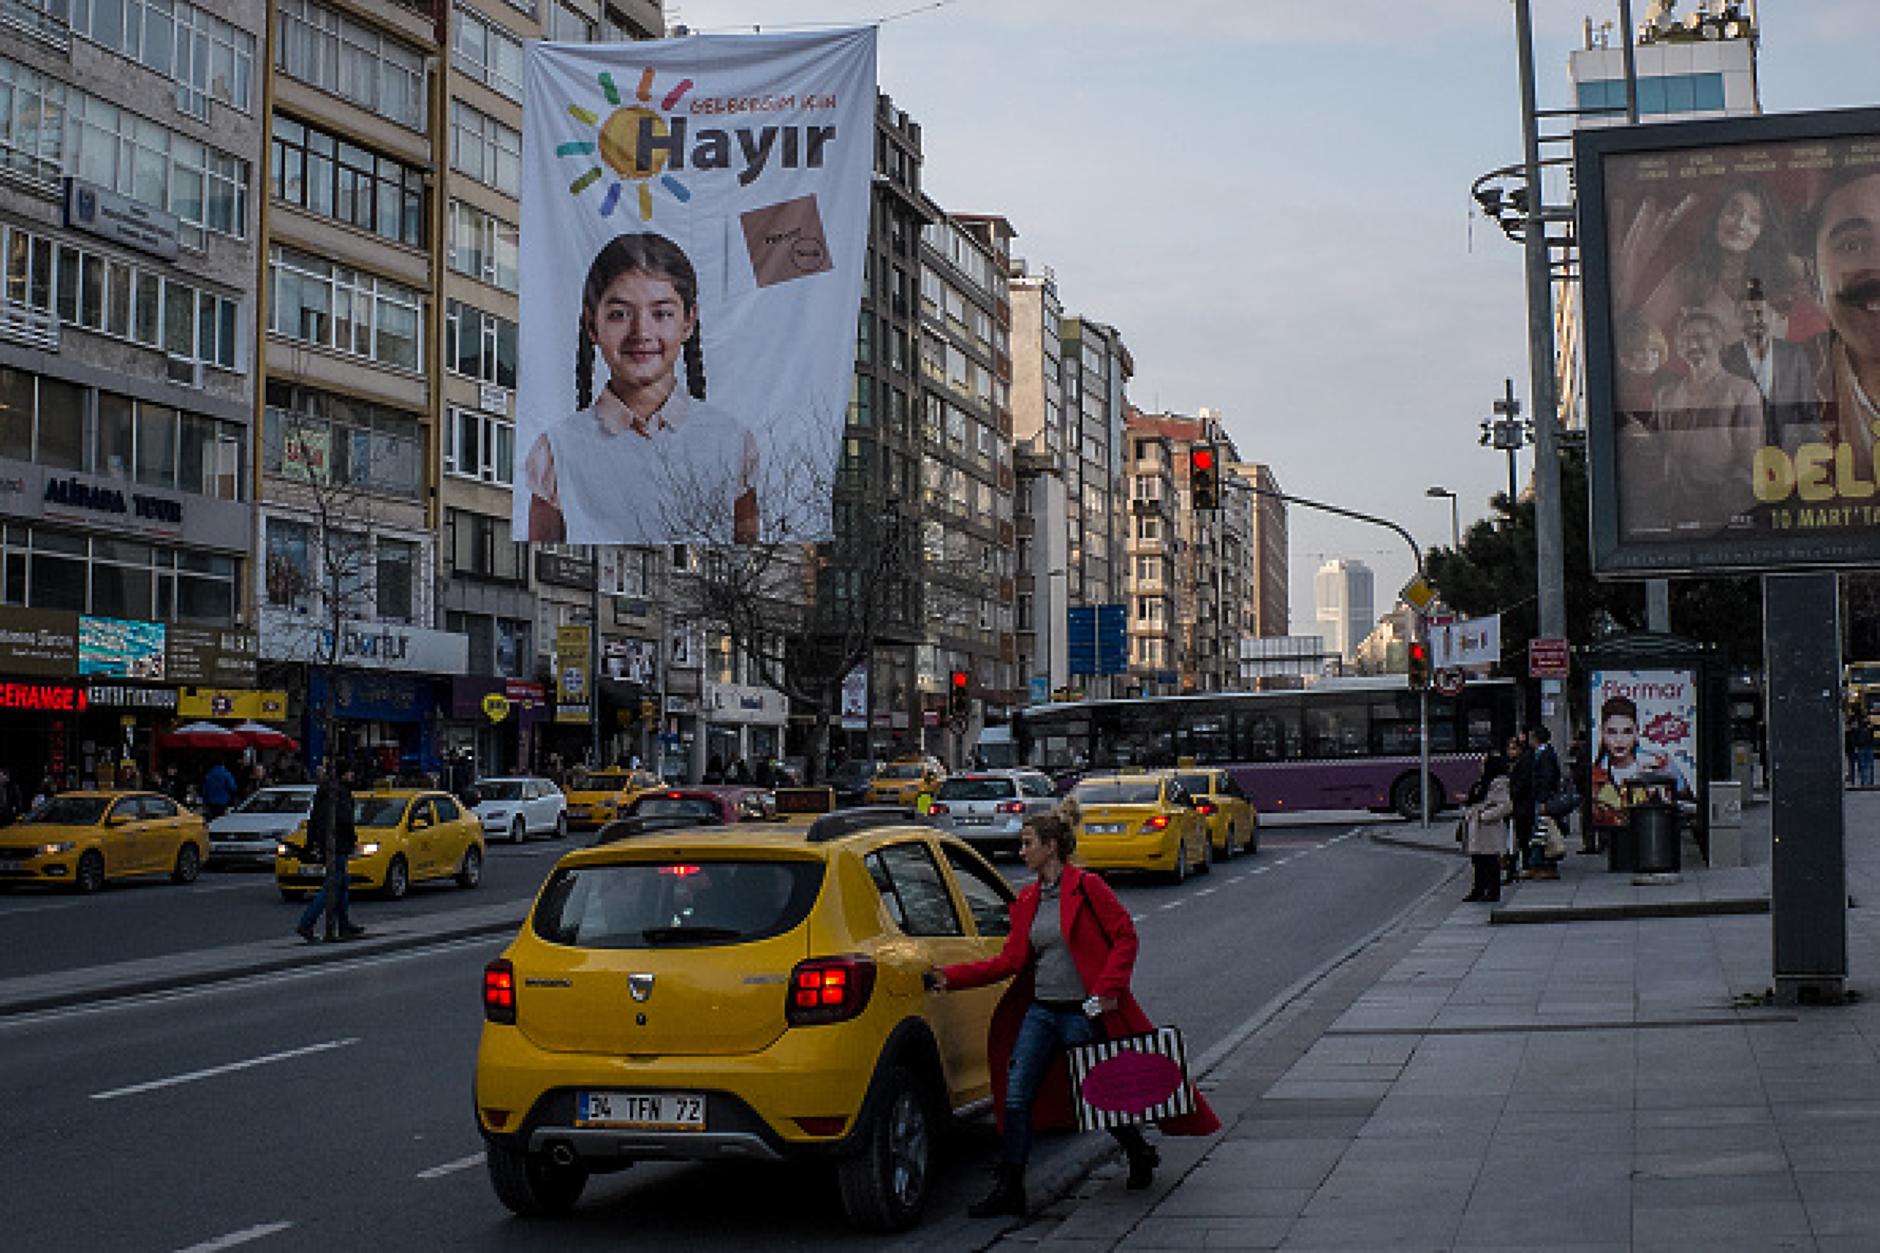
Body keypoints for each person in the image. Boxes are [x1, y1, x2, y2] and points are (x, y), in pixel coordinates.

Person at [928, 810, 1218, 1218]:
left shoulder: (1088, 887)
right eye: (1022, 842)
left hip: (1083, 1012)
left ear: (1051, 847)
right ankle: (1011, 1188)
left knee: (1097, 1096)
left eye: (1028, 842)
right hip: (1041, 1011)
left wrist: (1106, 991)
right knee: (1016, 1095)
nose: (1021, 850)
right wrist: (951, 977)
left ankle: (1138, 1150)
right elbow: (1009, 962)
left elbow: (1124, 937)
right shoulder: (1027, 899)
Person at [524, 232, 758, 545]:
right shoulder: (556, 449)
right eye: (620, 314)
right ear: (593, 324)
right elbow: (542, 552)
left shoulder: (731, 441)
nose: (642, 332)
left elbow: (746, 550)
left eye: (662, 314)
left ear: (688, 321)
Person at [1650, 308, 1766, 533]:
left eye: (1700, 337)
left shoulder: (1742, 391)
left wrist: (1730, 501)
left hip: (1724, 511)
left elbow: (1751, 456)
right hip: (1676, 509)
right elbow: (1658, 450)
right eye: (1685, 339)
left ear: (1719, 343)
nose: (1692, 345)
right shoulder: (1665, 396)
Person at [1722, 276, 1823, 453]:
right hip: (1744, 458)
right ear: (1738, 317)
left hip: (1790, 455)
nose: (1755, 320)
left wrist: (1813, 457)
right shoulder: (1726, 357)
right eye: (1747, 314)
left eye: (1760, 312)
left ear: (1773, 315)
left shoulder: (1794, 354)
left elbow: (1809, 413)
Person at [295, 762, 366, 944]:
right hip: (338, 843)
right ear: (343, 773)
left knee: (341, 884)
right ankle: (307, 922)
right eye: (350, 772)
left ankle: (343, 923)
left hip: (327, 842)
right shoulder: (339, 792)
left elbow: (314, 819)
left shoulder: (323, 791)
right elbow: (345, 819)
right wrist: (352, 839)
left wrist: (311, 844)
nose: (352, 776)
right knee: (333, 885)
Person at [1462, 751, 1513, 903]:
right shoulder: (1483, 782)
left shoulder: (1499, 783)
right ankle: (1478, 889)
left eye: (1484, 763)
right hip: (1478, 827)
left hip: (1488, 828)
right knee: (1477, 860)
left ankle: (1491, 891)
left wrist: (1484, 816)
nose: (1481, 766)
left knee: (1490, 860)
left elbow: (1505, 806)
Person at [1527, 725, 1563, 881]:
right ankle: (1538, 863)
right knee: (1540, 831)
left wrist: (1543, 800)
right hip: (1542, 797)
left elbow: (1547, 779)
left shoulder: (1546, 755)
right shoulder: (1542, 753)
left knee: (1542, 832)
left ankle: (1541, 864)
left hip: (1543, 799)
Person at [1506, 732, 1535, 883]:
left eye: (1512, 748)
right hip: (1521, 805)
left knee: (1521, 838)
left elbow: (1522, 784)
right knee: (1519, 838)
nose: (1509, 752)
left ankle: (1523, 866)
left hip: (1522, 806)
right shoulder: (1519, 762)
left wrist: (1511, 795)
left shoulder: (1523, 763)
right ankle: (1519, 866)